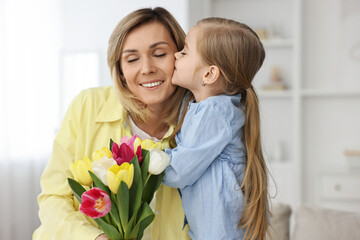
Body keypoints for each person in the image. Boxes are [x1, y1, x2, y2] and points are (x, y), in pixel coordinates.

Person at [33, 7, 191, 240]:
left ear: (181, 57)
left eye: (159, 54)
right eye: (132, 59)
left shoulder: (201, 124)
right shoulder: (87, 106)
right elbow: (54, 198)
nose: (146, 68)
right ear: (120, 70)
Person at [163, 17, 270, 240]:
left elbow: (177, 172)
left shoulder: (215, 113)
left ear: (209, 74)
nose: (175, 55)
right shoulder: (204, 107)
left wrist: (140, 160)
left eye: (184, 52)